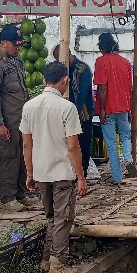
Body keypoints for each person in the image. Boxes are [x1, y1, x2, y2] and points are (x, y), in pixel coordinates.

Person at [20, 61, 87, 273]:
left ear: (43, 80)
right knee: (64, 218)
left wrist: (29, 173)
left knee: (51, 216)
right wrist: (81, 177)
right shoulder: (67, 108)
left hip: (41, 171)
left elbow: (26, 144)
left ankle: (46, 259)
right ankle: (57, 265)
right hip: (62, 172)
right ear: (65, 80)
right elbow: (73, 146)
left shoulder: (29, 106)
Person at [0, 24, 38, 211]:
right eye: (15, 45)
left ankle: (21, 193)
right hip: (8, 121)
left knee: (24, 157)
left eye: (19, 44)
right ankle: (7, 198)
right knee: (10, 158)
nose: (18, 48)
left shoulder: (18, 61)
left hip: (23, 120)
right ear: (3, 43)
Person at [93, 32, 137, 184]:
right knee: (125, 136)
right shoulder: (125, 62)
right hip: (124, 106)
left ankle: (117, 177)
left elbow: (102, 88)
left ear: (102, 47)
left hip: (109, 108)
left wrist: (103, 108)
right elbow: (131, 87)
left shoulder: (101, 62)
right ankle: (128, 159)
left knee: (111, 143)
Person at [52, 45, 94, 177]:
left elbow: (82, 93)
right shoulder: (62, 71)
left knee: (83, 143)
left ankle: (83, 174)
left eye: (60, 59)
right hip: (65, 113)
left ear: (68, 54)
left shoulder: (82, 69)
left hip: (82, 113)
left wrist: (73, 111)